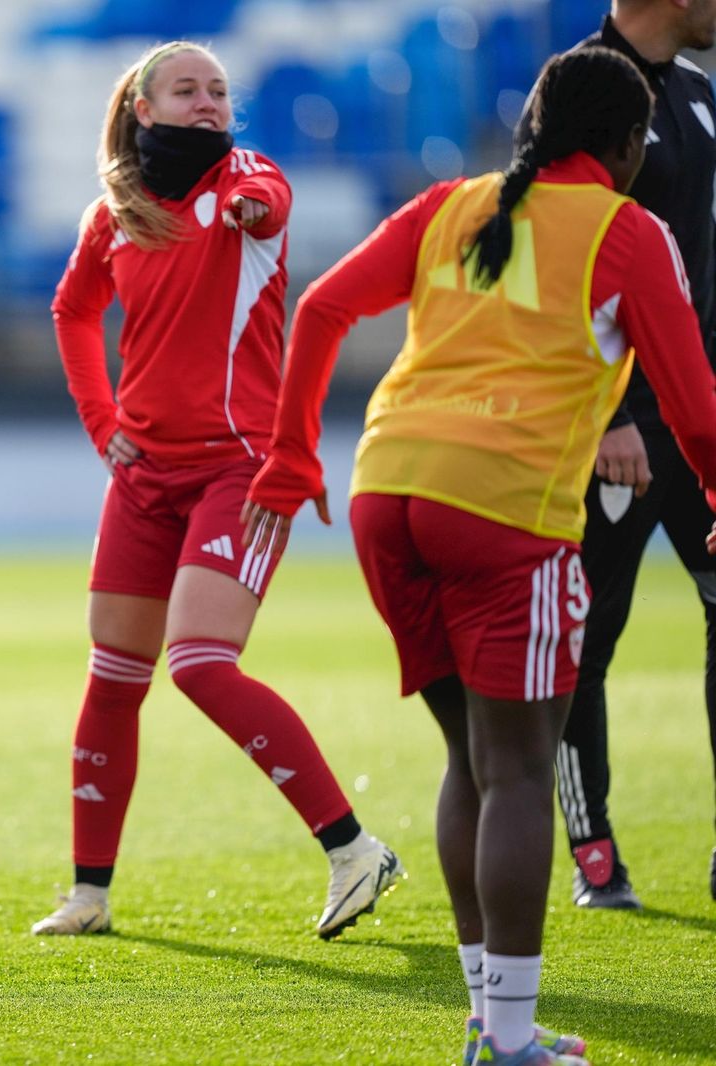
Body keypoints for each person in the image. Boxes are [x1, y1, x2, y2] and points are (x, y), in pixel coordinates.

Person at [244, 47, 716, 1066]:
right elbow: (695, 407)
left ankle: (488, 1020)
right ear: (629, 146)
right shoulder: (628, 232)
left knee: (472, 759)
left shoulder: (450, 206)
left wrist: (290, 455)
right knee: (516, 768)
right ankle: (507, 1041)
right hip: (503, 506)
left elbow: (320, 307)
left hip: (388, 490)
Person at [33, 39, 402, 942]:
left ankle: (354, 848)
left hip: (240, 470)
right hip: (142, 476)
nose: (208, 102)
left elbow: (265, 197)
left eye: (219, 90)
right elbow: (73, 310)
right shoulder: (112, 215)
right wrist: (101, 419)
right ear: (143, 110)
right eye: (187, 90)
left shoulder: (250, 180)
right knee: (113, 679)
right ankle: (88, 894)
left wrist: (246, 206)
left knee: (198, 664)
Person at [523, 0, 716, 911]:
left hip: (699, 411)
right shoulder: (580, 86)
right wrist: (605, 417)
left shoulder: (698, 95)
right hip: (616, 430)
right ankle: (593, 849)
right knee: (588, 638)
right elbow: (543, 248)